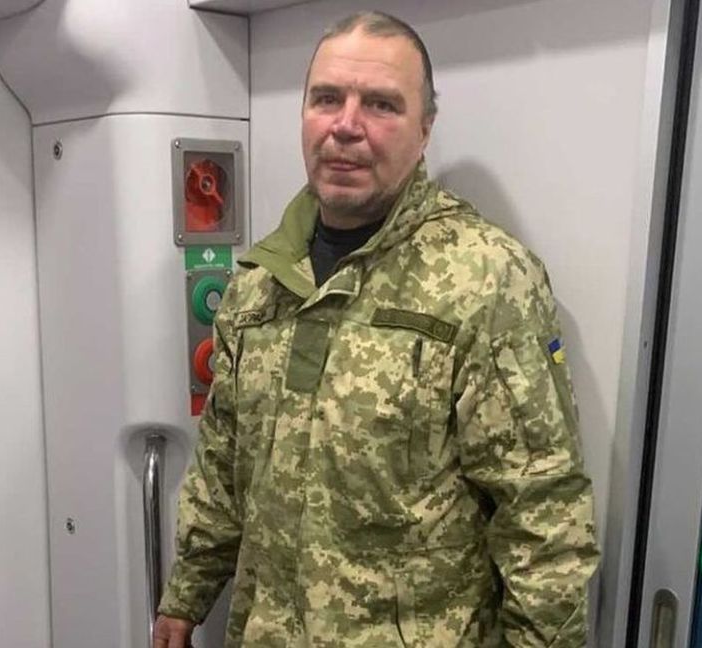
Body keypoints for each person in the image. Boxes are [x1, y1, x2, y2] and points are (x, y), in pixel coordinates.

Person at [154, 11, 598, 648]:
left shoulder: (485, 281)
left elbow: (544, 518)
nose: (346, 125)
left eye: (381, 104)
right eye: (326, 99)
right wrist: (185, 597)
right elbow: (222, 467)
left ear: (425, 128)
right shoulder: (259, 284)